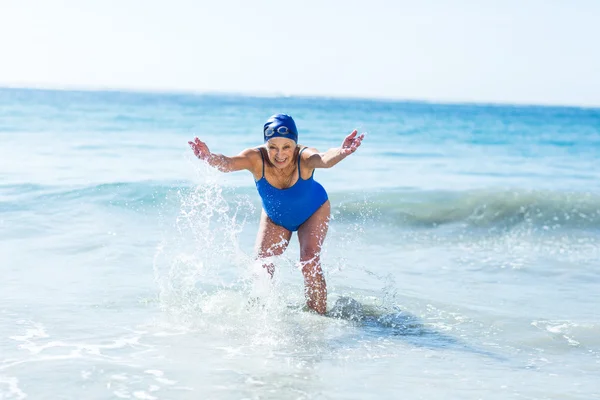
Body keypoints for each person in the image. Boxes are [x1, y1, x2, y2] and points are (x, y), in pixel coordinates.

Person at [188, 114, 364, 314]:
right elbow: (228, 163)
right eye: (273, 147)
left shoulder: (304, 157)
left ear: (295, 145)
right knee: (261, 268)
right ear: (266, 145)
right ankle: (260, 317)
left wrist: (342, 151)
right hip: (275, 217)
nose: (280, 154)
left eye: (286, 147)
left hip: (313, 210)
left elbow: (324, 159)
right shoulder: (255, 158)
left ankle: (319, 320)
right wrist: (209, 158)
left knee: (309, 262)